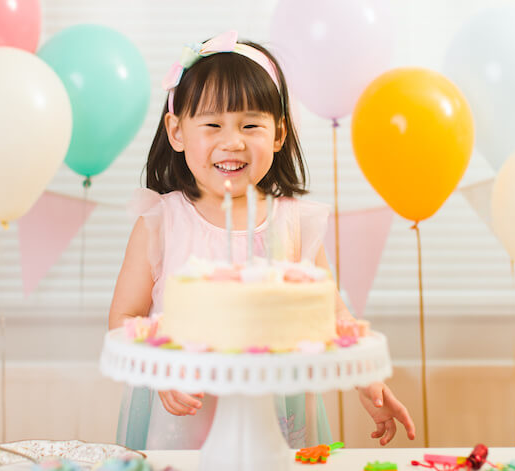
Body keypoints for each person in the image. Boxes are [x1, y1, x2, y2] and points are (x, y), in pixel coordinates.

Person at [108, 30, 415, 449]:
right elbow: (125, 318)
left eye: (250, 125)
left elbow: (331, 315)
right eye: (212, 124)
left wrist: (367, 380)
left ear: (278, 134)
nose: (232, 141)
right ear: (176, 131)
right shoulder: (161, 223)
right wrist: (162, 372)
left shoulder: (293, 224)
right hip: (183, 415)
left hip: (275, 411)